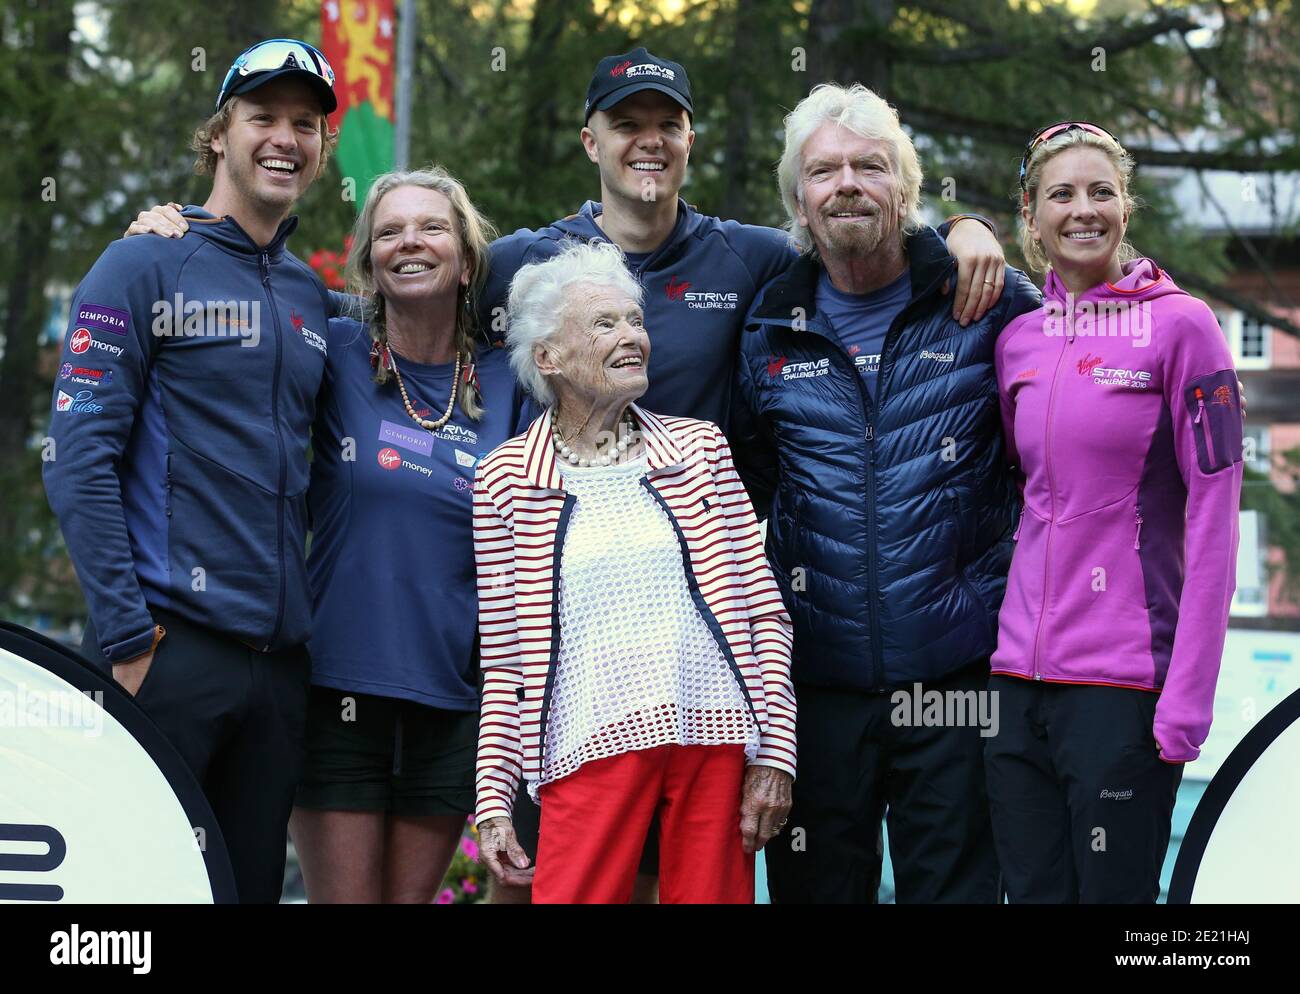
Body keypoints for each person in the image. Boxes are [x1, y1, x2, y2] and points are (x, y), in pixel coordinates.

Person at [122, 48, 1006, 903]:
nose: (647, 140)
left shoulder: (755, 264)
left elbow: (857, 229)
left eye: (668, 123)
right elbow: (400, 299)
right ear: (592, 141)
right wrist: (179, 236)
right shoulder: (506, 280)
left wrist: (966, 232)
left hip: (705, 682)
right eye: (626, 124)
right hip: (548, 691)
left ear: (691, 139)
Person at [42, 39, 339, 903]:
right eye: (263, 118)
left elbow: (432, 306)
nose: (286, 138)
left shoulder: (310, 297)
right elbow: (76, 460)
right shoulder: (142, 261)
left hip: (280, 673)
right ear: (220, 135)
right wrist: (130, 640)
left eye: (305, 124)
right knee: (130, 902)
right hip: (168, 652)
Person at [731, 82, 1042, 904]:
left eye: (870, 166)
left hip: (955, 675)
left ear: (904, 187)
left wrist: (975, 227)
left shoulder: (986, 300)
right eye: (825, 170)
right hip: (817, 684)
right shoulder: (767, 325)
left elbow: (1054, 447)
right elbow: (748, 491)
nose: (847, 185)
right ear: (798, 197)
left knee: (958, 892)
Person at [472, 240, 797, 903]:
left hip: (716, 731)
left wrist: (777, 751)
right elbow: (505, 659)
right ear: (547, 357)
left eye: (635, 321)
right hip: (584, 739)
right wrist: (494, 797)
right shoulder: (506, 479)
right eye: (604, 324)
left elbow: (765, 611)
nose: (633, 337)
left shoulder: (701, 450)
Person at [984, 122, 1243, 903]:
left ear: (1125, 206)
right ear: (1031, 215)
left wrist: (1187, 698)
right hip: (1015, 686)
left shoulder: (1185, 328)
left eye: (1102, 191)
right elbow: (1020, 498)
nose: (1083, 209)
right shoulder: (1020, 339)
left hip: (1125, 690)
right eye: (1061, 193)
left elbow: (1215, 519)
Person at [288, 167, 527, 902]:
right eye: (388, 231)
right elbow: (243, 287)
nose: (409, 243)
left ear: (465, 259)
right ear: (369, 262)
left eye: (431, 227)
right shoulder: (331, 352)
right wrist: (173, 227)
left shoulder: (511, 380)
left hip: (454, 701)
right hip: (335, 688)